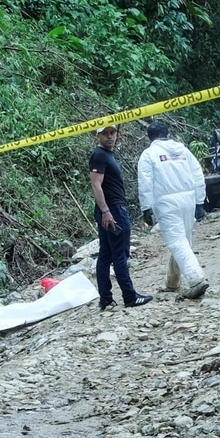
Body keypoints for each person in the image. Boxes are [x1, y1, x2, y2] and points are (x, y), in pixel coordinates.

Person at [136, 120, 210, 299]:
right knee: (184, 240)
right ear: (168, 134)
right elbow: (198, 174)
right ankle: (173, 281)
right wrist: (200, 202)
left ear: (149, 138)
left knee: (177, 242)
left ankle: (196, 279)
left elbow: (145, 183)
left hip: (166, 202)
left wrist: (146, 208)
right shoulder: (183, 151)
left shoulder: (149, 154)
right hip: (189, 199)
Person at [89, 124, 153, 310]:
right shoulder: (99, 155)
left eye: (112, 133)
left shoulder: (106, 155)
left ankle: (106, 299)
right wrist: (106, 211)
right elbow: (96, 185)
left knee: (106, 254)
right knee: (119, 254)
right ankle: (130, 296)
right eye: (105, 134)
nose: (110, 137)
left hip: (110, 209)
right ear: (98, 136)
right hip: (113, 209)